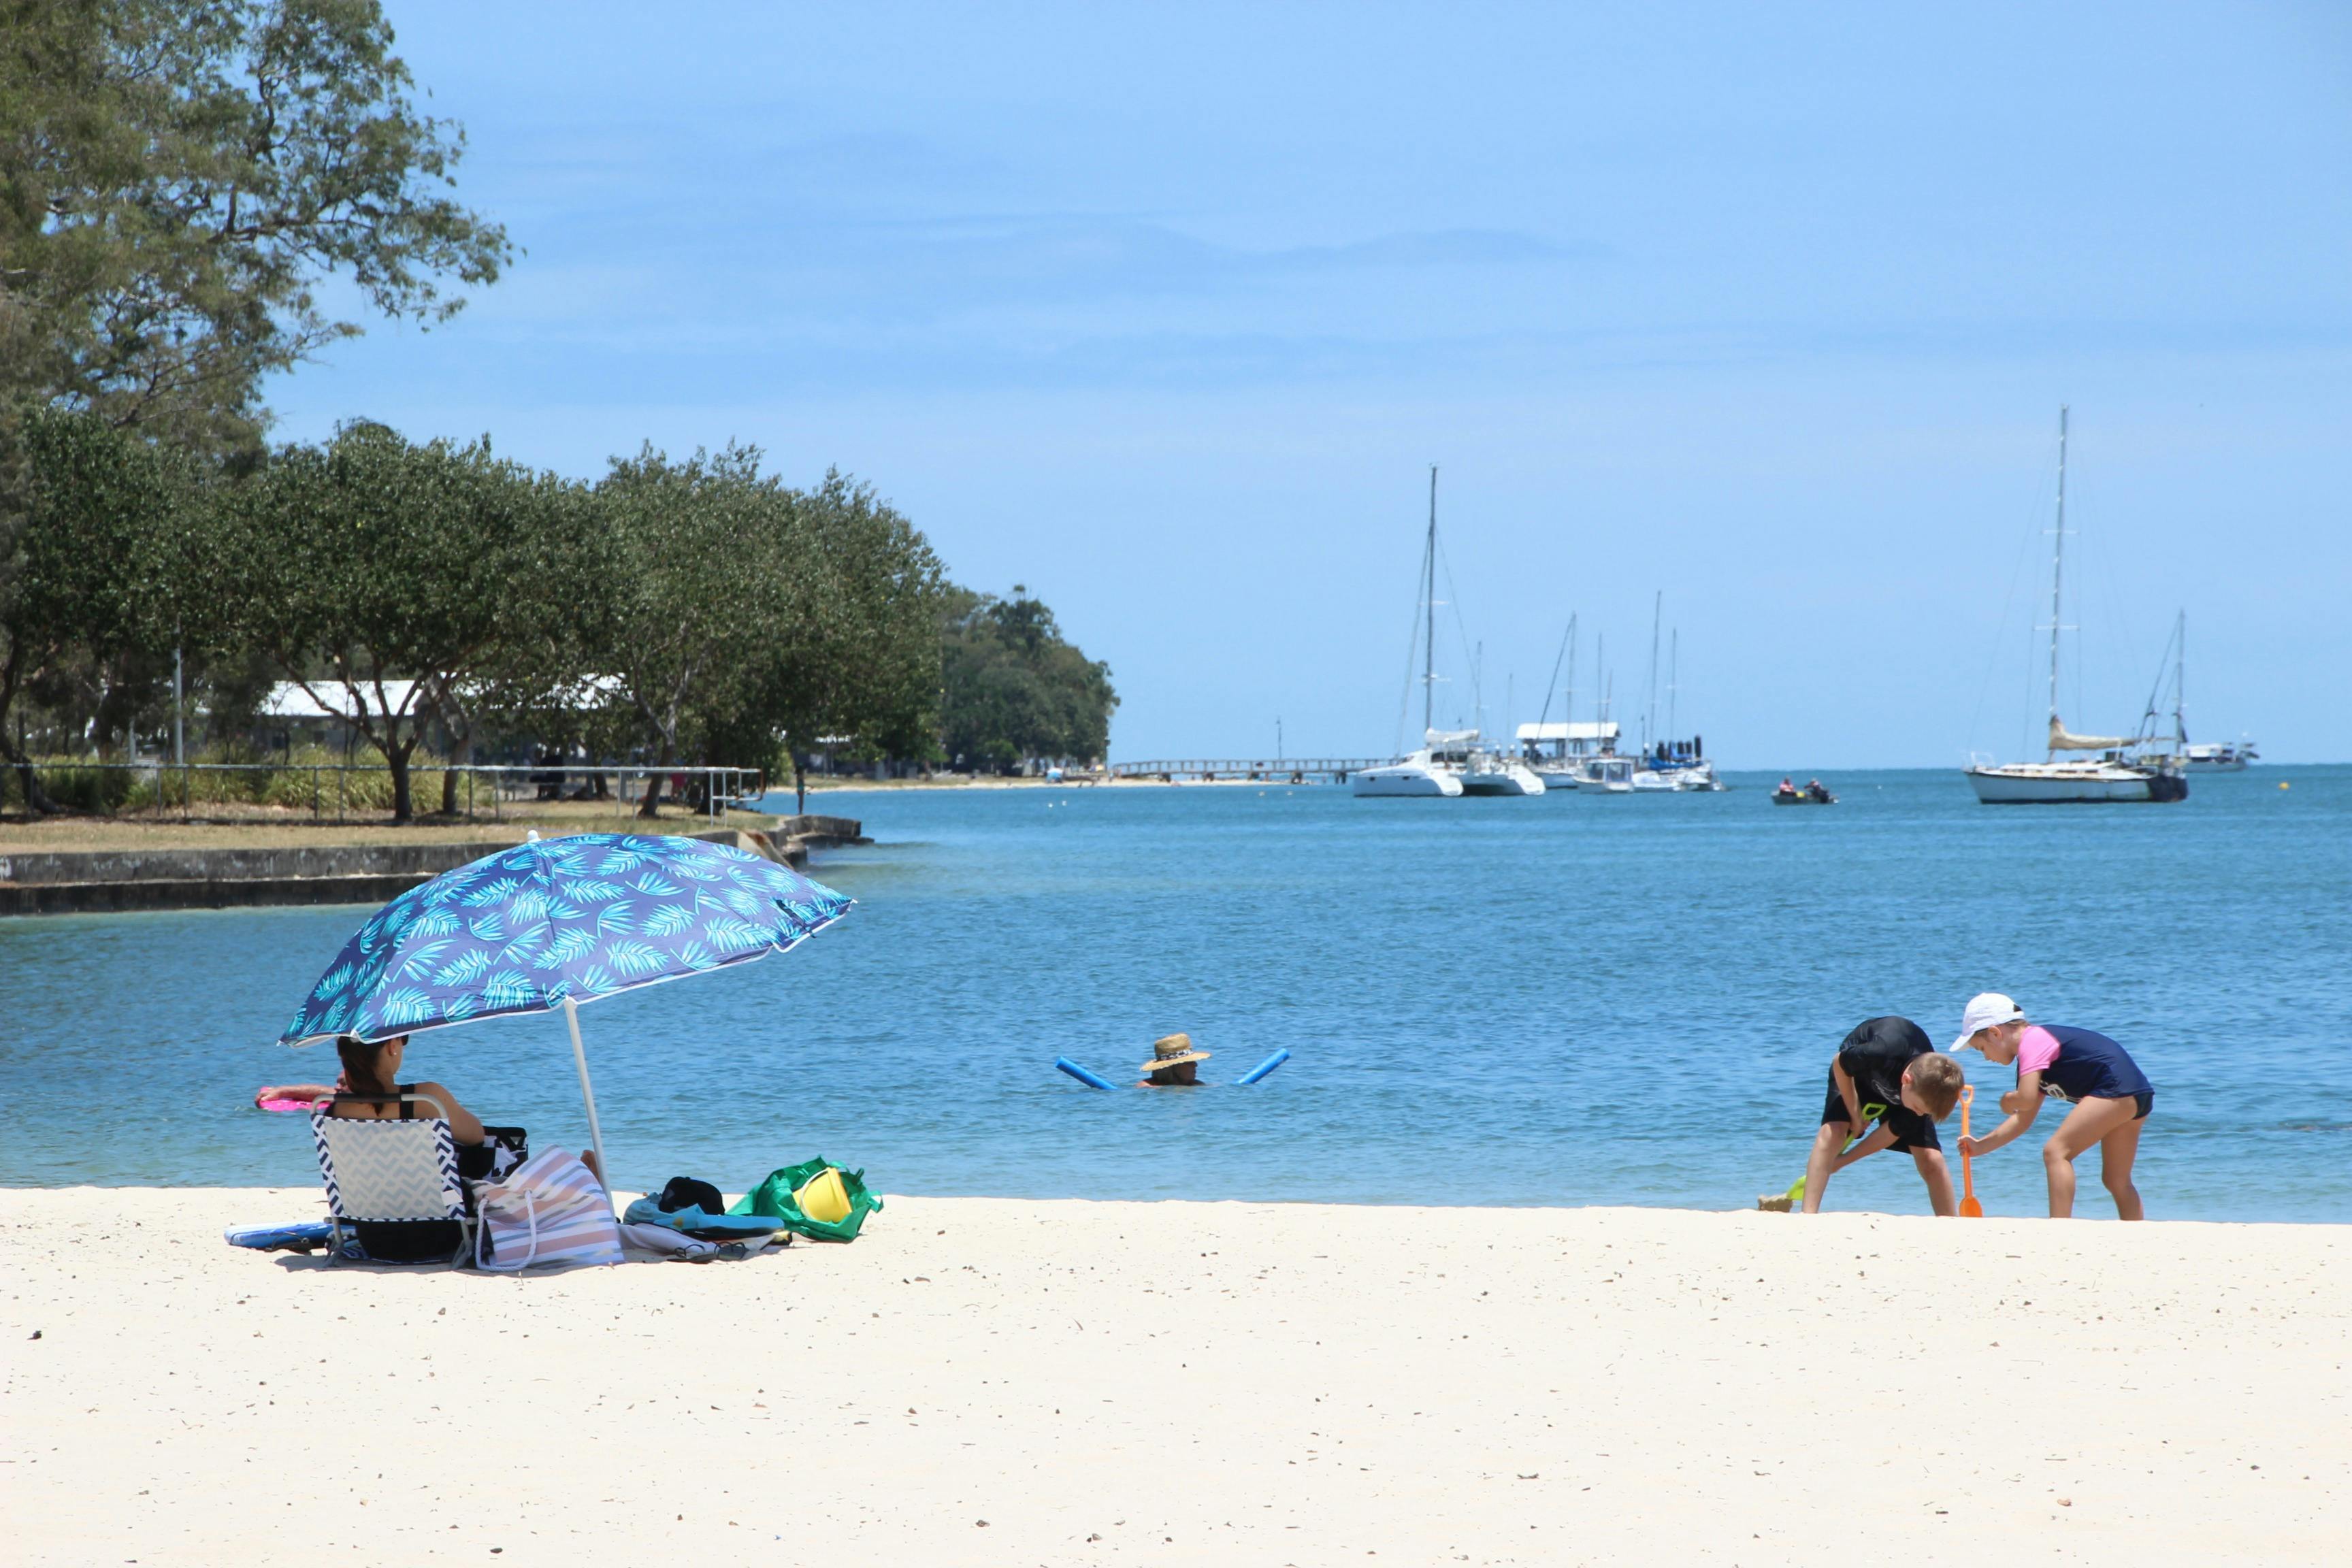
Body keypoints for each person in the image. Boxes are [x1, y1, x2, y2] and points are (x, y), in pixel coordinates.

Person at [1950, 992, 2151, 1220]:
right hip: (2137, 1092)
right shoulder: (2033, 1055)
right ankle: (2136, 1230)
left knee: (2056, 1152)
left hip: (2116, 1088)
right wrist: (1981, 1146)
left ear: (1995, 1033)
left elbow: (2025, 1100)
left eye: (1981, 1049)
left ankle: (2059, 1226)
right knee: (2116, 1180)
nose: (1986, 1058)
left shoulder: (2032, 1041)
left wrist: (2008, 1100)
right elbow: (2022, 1120)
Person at [1797, 1016, 1967, 1215]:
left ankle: (1949, 1222)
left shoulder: (1925, 1095)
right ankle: (1808, 1216)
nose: (1920, 1114)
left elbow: (1892, 1131)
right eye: (1918, 1108)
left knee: (1932, 1159)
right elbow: (1839, 1063)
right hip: (1857, 1076)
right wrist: (1855, 1115)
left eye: (1924, 1112)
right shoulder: (1880, 1052)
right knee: (1833, 1132)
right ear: (1907, 1080)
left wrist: (1842, 1161)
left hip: (1904, 1093)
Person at [1137, 1032, 1211, 1087]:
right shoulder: (1147, 1086)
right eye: (1189, 1062)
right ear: (1174, 1066)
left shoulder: (1197, 1084)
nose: (1195, 1065)